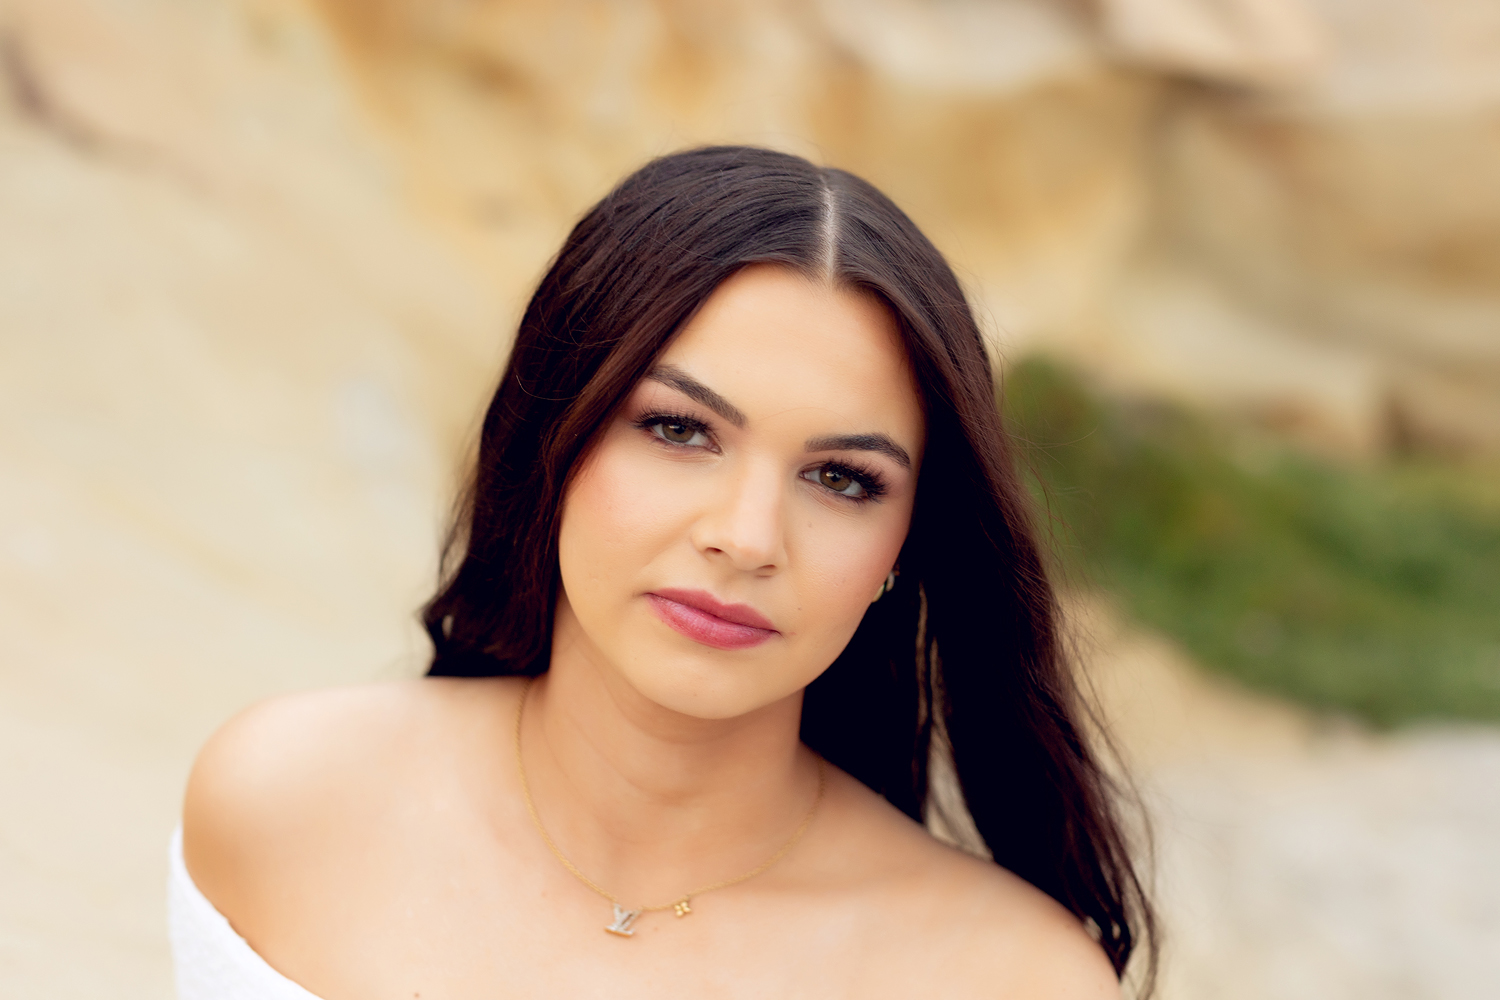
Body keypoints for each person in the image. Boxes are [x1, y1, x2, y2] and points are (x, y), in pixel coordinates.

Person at [172, 145, 1155, 999]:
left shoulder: (1013, 981)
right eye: (678, 429)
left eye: (841, 478)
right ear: (552, 436)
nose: (747, 536)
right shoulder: (288, 799)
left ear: (907, 545)